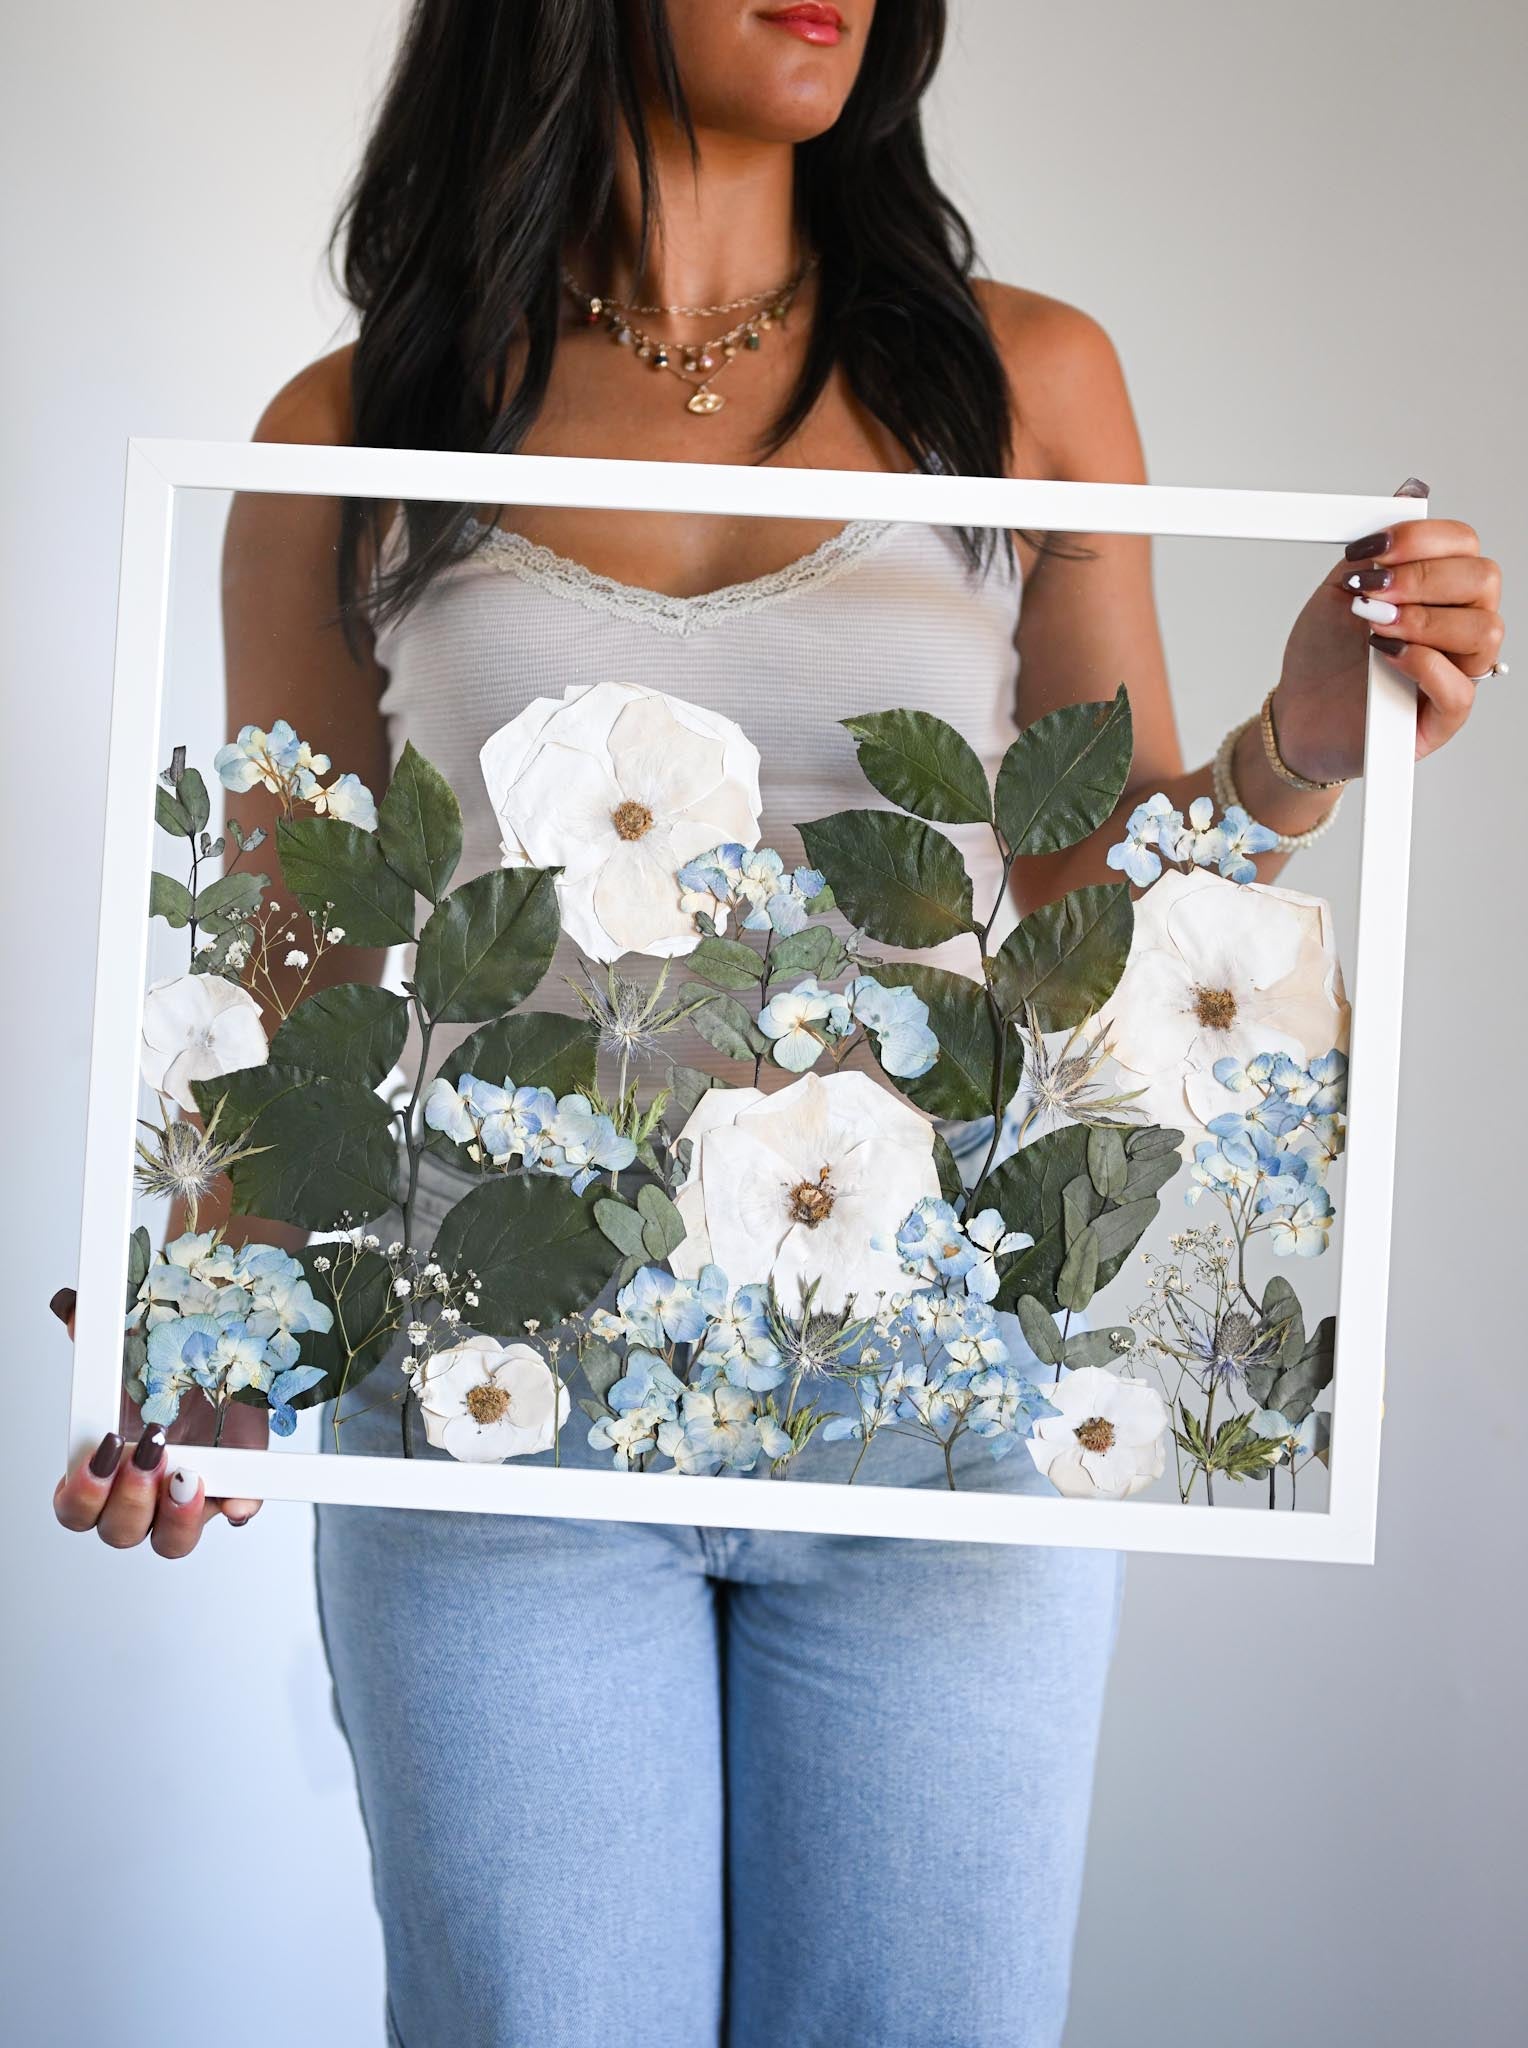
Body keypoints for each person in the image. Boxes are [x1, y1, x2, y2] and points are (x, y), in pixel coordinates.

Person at [52, 4, 1504, 2041]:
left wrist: (1294, 746)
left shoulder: (1023, 380)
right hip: (497, 1410)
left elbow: (1081, 918)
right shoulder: (350, 424)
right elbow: (287, 962)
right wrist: (204, 1338)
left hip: (939, 1418)